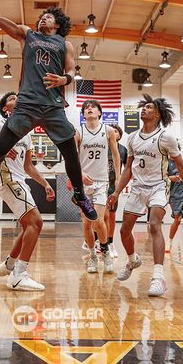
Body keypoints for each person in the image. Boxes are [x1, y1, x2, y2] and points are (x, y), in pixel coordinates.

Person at [0, 0, 97, 220]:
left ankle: (79, 196)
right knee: (0, 149)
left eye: (48, 17)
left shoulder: (65, 44)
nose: (43, 18)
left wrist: (63, 79)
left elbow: (71, 72)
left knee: (71, 152)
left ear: (58, 24)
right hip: (27, 105)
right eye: (41, 17)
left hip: (53, 107)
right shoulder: (28, 34)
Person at [109, 94, 183, 297]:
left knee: (154, 225)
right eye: (143, 107)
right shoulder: (132, 138)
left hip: (158, 186)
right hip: (138, 188)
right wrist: (116, 191)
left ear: (157, 114)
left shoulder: (166, 137)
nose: (144, 110)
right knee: (123, 232)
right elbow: (128, 168)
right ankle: (132, 260)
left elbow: (181, 166)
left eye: (149, 107)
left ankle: (158, 277)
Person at [0, 91, 55, 291]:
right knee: (36, 221)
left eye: (18, 97)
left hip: (21, 180)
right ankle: (19, 274)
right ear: (5, 109)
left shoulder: (26, 134)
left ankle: (11, 263)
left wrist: (45, 184)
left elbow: (28, 167)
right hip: (6, 179)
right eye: (11, 98)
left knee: (29, 224)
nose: (16, 99)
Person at [74, 99, 121, 274]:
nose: (89, 109)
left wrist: (117, 178)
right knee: (86, 223)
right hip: (84, 184)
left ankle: (105, 251)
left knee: (99, 220)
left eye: (93, 107)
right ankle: (93, 256)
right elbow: (71, 157)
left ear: (99, 112)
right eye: (86, 108)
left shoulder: (108, 131)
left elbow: (116, 156)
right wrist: (78, 174)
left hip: (101, 182)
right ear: (84, 114)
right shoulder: (78, 132)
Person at [106, 124, 128, 259]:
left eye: (116, 131)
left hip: (114, 187)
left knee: (112, 216)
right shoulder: (102, 147)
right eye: (111, 131)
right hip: (101, 184)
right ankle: (99, 241)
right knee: (102, 215)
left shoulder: (123, 150)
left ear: (119, 134)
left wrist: (123, 183)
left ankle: (110, 242)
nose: (113, 133)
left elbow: (128, 169)